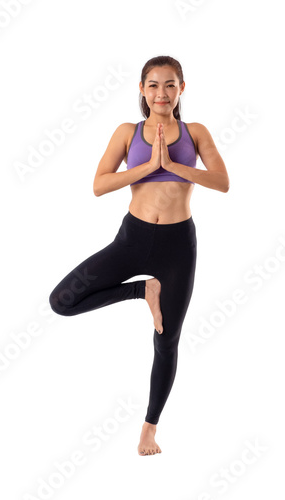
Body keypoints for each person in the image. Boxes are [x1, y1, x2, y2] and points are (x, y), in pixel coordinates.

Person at [49, 55, 229, 456]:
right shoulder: (127, 132)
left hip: (177, 247)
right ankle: (141, 291)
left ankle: (149, 428)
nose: (161, 93)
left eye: (169, 85)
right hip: (131, 241)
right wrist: (150, 165)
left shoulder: (194, 132)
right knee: (61, 302)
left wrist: (175, 167)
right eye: (152, 85)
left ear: (182, 89)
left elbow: (222, 181)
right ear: (142, 91)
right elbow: (99, 185)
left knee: (166, 340)